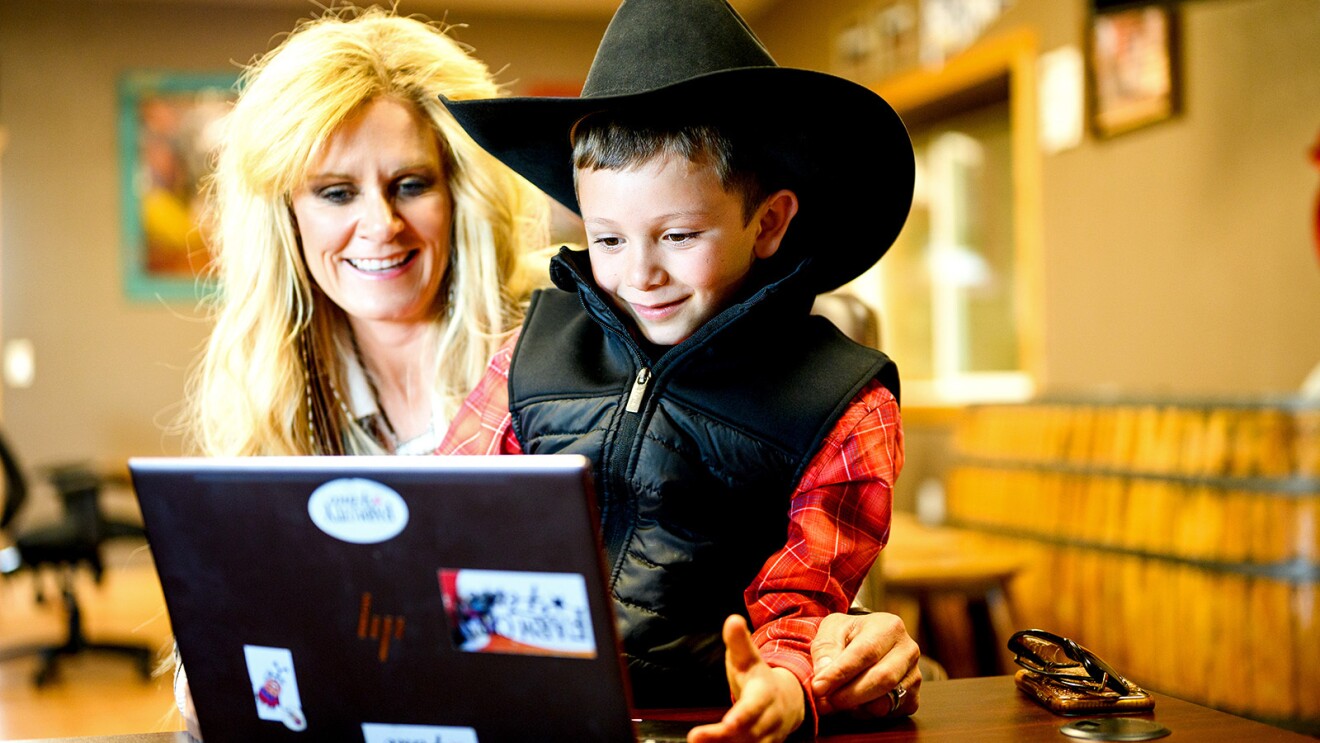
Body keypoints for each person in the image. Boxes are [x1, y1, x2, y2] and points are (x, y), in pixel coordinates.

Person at [175, 4, 916, 737]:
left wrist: (807, 674)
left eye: (409, 184)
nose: (379, 225)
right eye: (336, 191)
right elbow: (437, 537)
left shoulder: (825, 395)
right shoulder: (529, 356)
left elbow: (807, 601)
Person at [438, 0, 922, 739]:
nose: (641, 274)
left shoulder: (842, 404)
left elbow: (805, 602)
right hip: (526, 710)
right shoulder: (529, 354)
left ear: (768, 222)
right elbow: (448, 514)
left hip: (702, 722)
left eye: (679, 234)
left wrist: (791, 686)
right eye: (608, 239)